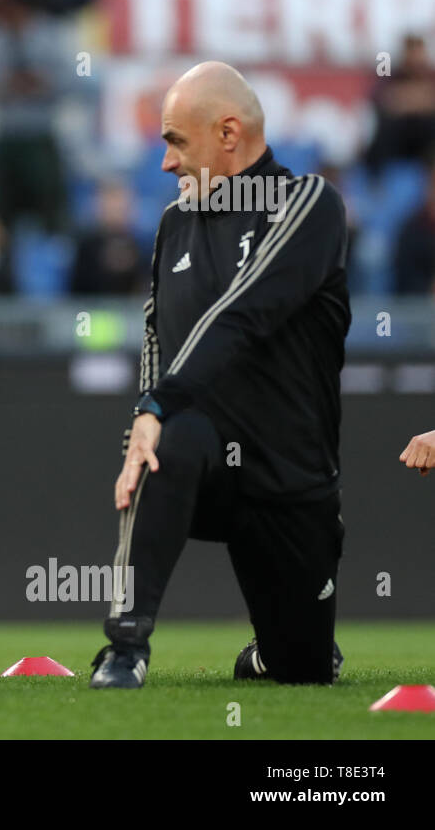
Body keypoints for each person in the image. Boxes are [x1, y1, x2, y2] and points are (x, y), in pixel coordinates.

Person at [92, 62, 350, 689]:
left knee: (303, 670)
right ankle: (125, 647)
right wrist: (147, 415)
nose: (165, 163)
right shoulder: (174, 225)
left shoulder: (308, 204)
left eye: (176, 141)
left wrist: (157, 402)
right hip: (202, 464)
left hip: (289, 477)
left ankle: (273, 648)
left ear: (228, 133)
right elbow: (158, 335)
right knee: (166, 441)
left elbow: (242, 314)